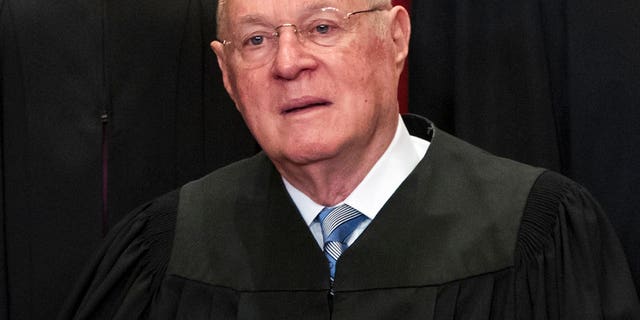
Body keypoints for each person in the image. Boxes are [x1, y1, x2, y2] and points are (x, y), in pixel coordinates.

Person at [58, 0, 640, 319]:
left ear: (396, 39)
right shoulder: (161, 255)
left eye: (322, 26)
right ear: (227, 76)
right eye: (256, 39)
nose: (289, 63)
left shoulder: (538, 236)